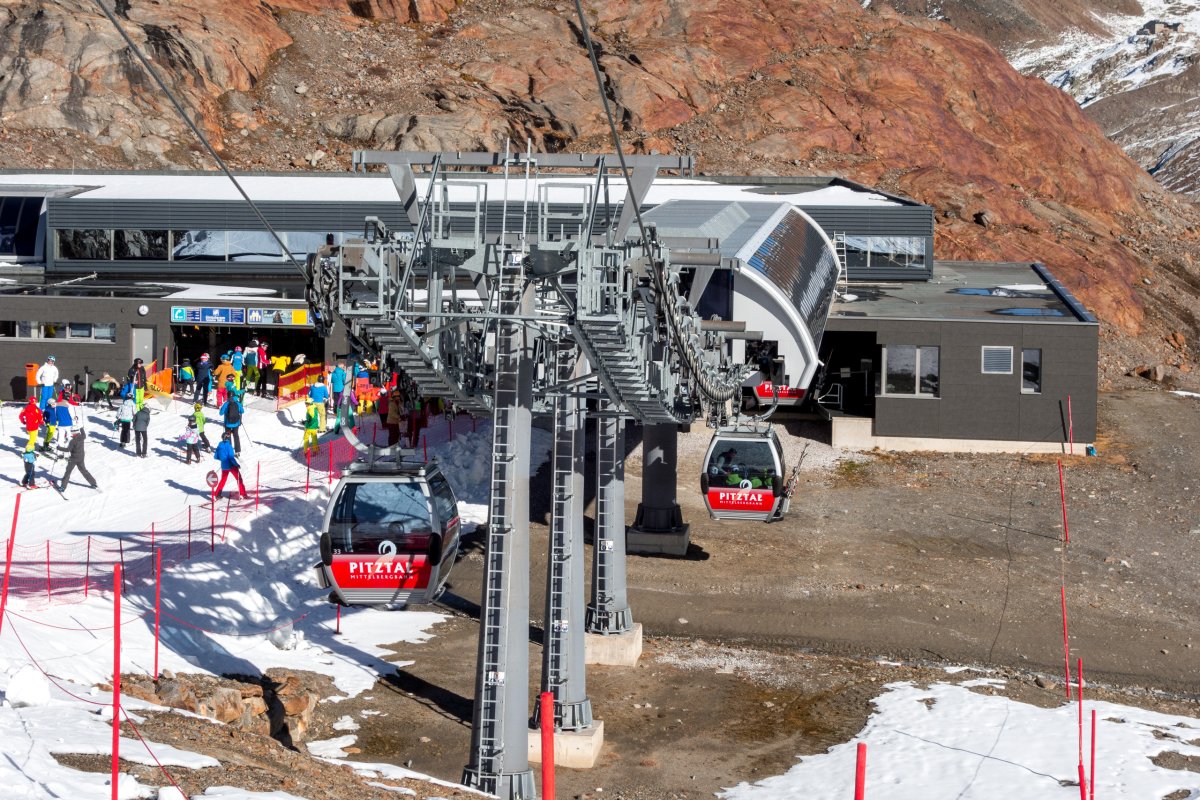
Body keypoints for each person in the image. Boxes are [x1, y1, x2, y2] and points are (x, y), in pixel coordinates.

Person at [59, 428, 98, 492]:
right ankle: (93, 483)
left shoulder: (73, 441)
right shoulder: (82, 437)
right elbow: (84, 434)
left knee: (68, 472)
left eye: (72, 432)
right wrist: (81, 428)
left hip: (73, 459)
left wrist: (59, 448)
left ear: (74, 433)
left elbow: (67, 450)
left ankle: (63, 487)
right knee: (84, 470)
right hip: (81, 458)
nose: (71, 433)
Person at [213, 431, 248, 499]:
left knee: (223, 480)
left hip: (224, 466)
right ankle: (243, 494)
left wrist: (223, 459)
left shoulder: (219, 445)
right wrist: (236, 464)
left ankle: (217, 494)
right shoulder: (229, 446)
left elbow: (215, 456)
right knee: (239, 479)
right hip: (231, 465)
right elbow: (231, 457)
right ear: (228, 438)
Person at [219, 390, 244, 455]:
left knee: (228, 436)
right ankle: (237, 451)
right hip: (236, 423)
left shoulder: (226, 404)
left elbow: (220, 413)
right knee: (236, 436)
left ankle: (229, 450)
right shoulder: (237, 403)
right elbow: (242, 411)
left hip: (228, 424)